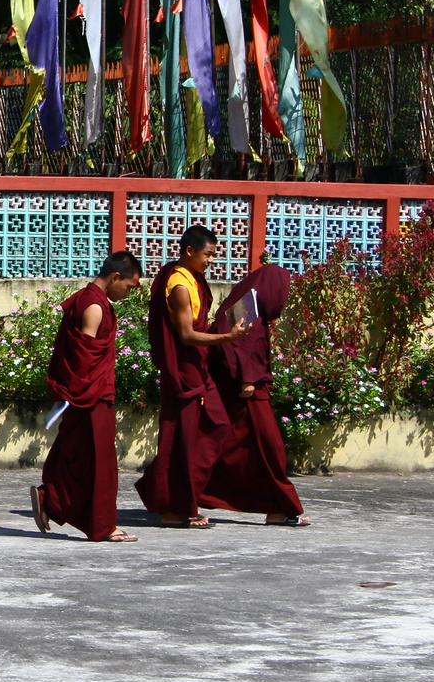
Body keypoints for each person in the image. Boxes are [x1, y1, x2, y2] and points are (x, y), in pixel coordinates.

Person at [135, 226, 248, 528]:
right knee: (181, 438)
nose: (211, 260)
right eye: (208, 254)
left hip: (197, 367)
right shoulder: (180, 286)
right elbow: (186, 335)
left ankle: (171, 491)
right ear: (189, 251)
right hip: (184, 368)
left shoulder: (192, 278)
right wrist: (227, 337)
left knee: (215, 426)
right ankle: (174, 507)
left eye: (213, 254)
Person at [31, 251, 146, 542]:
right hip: (91, 395)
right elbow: (85, 358)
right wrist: (78, 394)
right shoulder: (94, 306)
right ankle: (102, 526)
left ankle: (51, 499)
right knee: (100, 463)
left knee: (79, 456)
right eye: (130, 286)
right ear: (115, 277)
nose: (130, 292)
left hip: (87, 393)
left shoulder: (88, 298)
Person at [201, 263, 311, 526]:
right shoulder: (246, 312)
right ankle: (280, 506)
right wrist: (246, 378)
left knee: (243, 451)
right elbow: (230, 342)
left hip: (249, 391)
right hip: (247, 393)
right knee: (268, 450)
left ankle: (276, 507)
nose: (281, 300)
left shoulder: (254, 312)